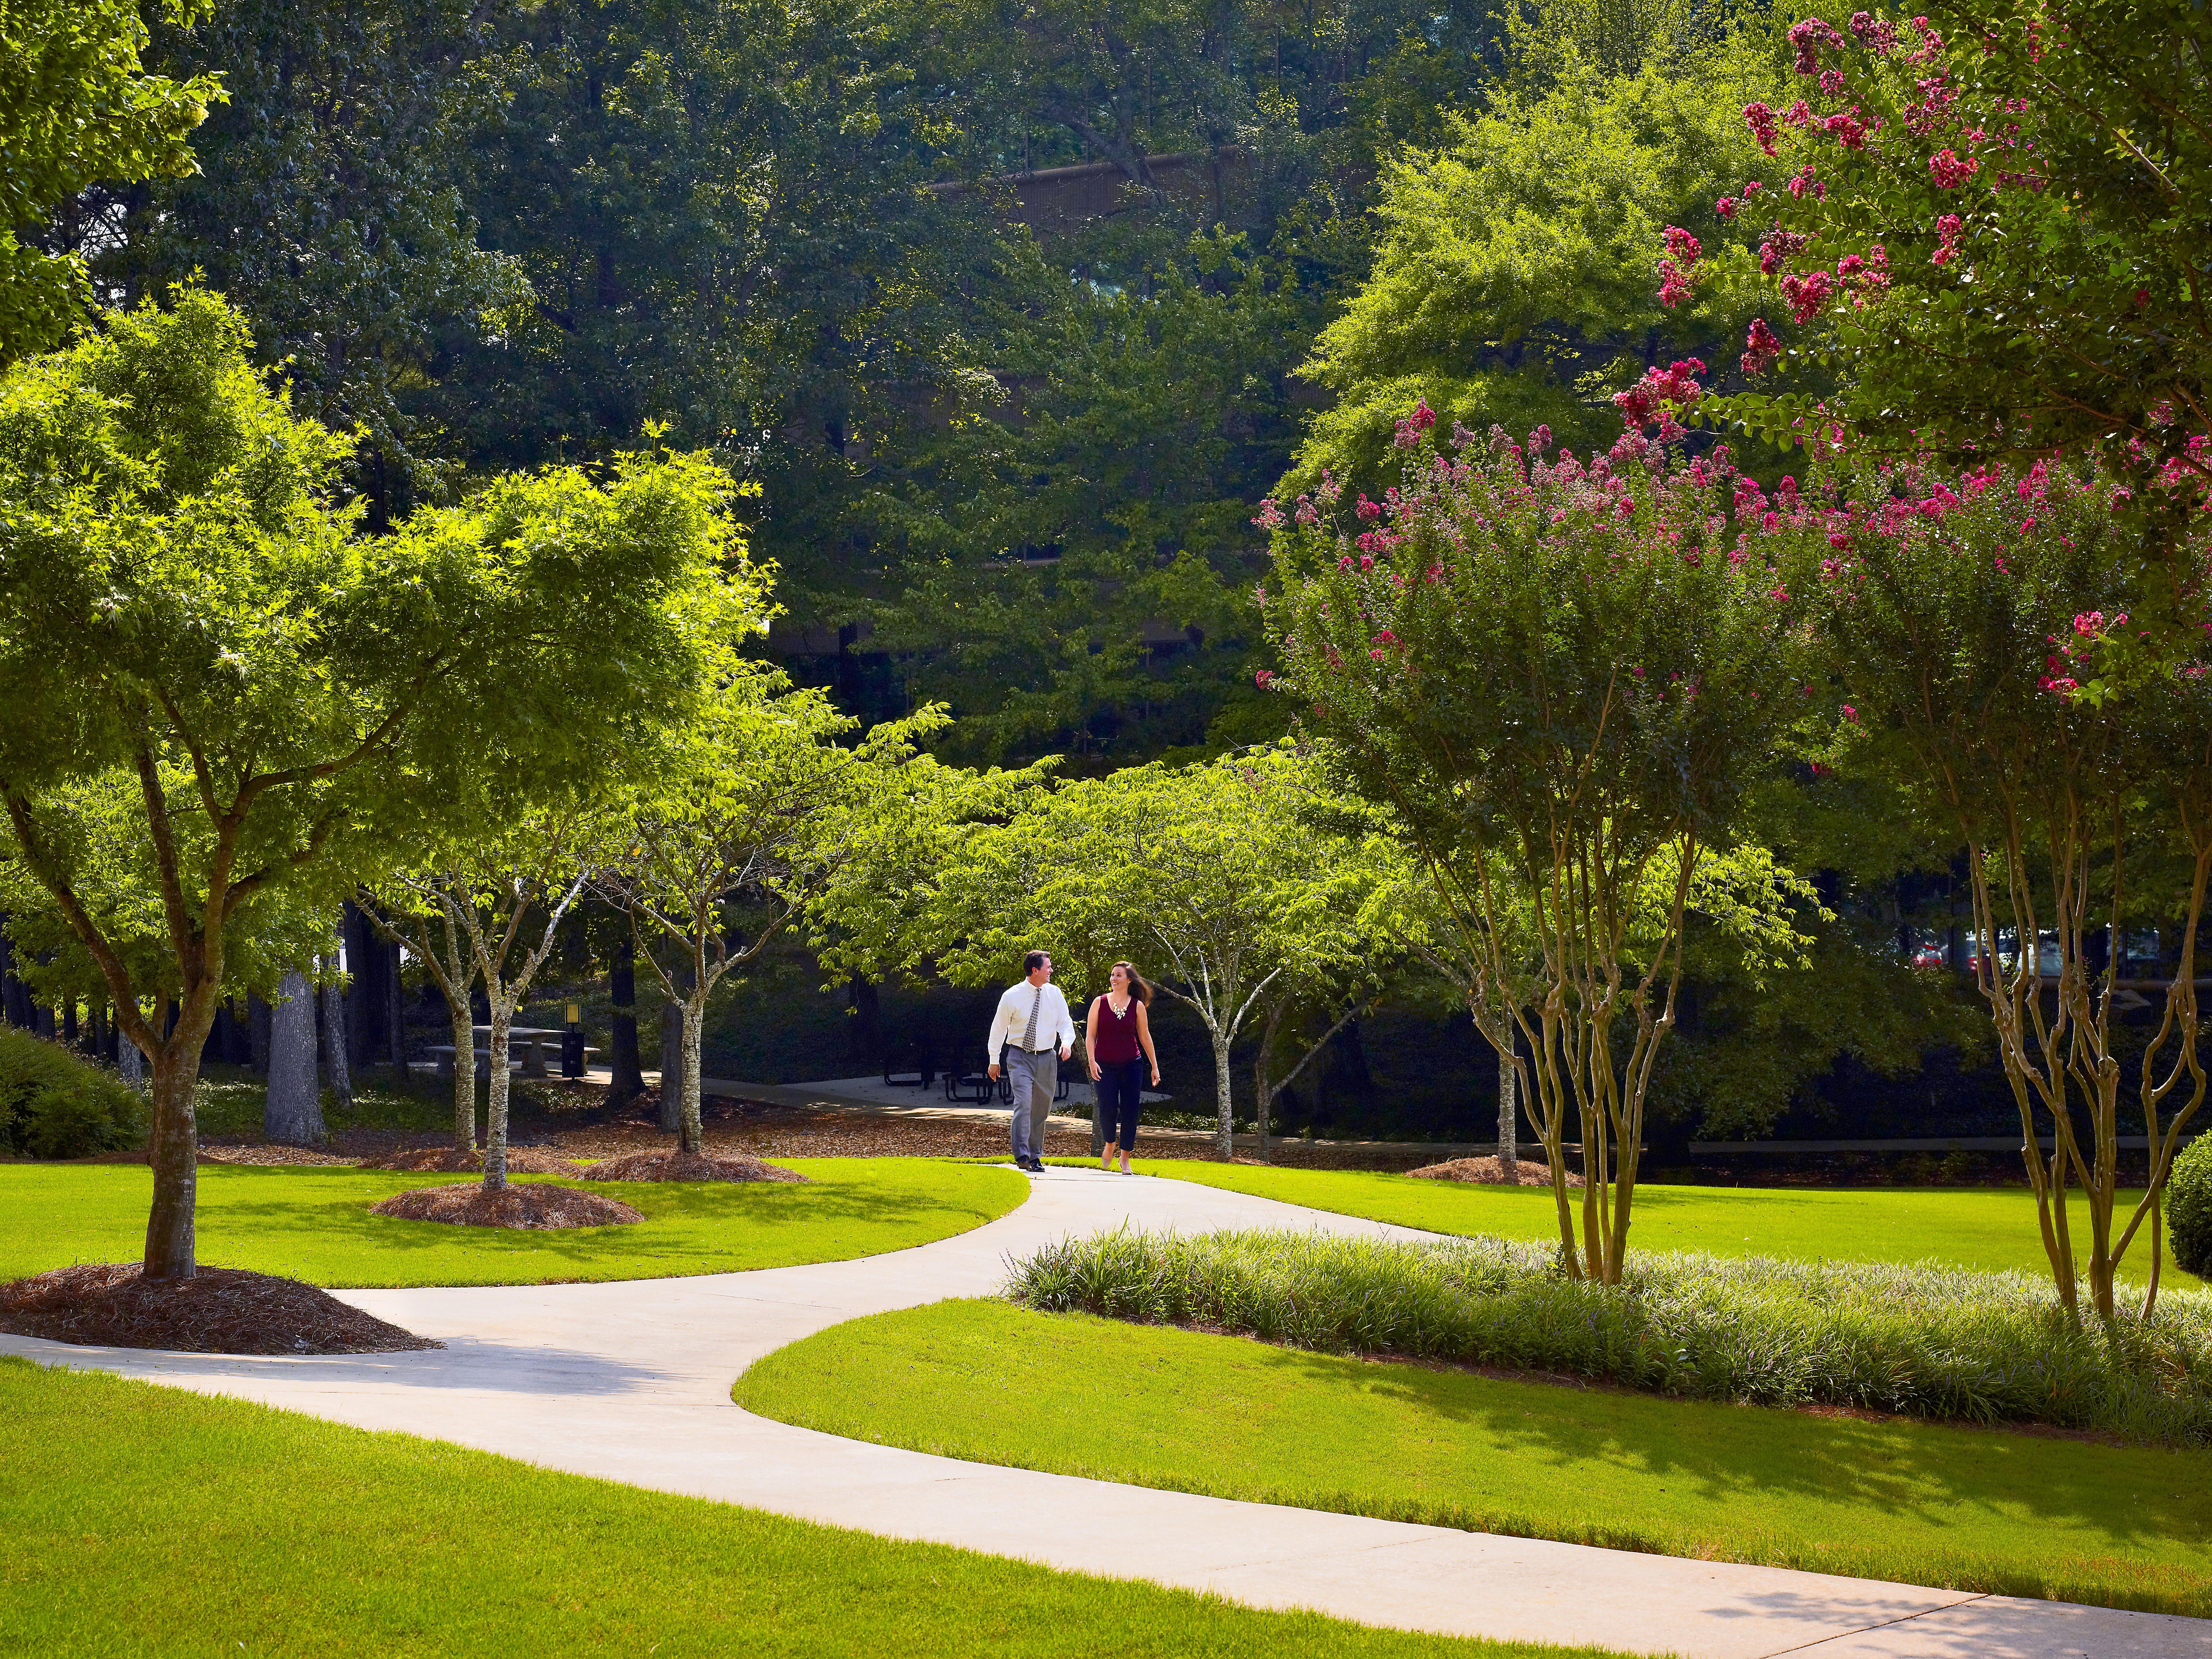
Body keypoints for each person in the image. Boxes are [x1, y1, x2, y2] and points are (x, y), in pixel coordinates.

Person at [985, 950, 1074, 1173]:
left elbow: (1065, 1022)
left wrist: (1066, 1043)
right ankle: (1023, 1155)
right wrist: (994, 1060)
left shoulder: (1055, 994)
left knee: (1041, 1110)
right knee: (1024, 1105)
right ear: (1035, 970)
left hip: (1047, 1057)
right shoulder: (1012, 996)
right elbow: (998, 1030)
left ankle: (1036, 1156)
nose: (1051, 971)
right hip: (1019, 1057)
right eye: (1048, 967)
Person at [1085, 960, 1159, 1174]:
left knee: (1130, 1111)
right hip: (1104, 1066)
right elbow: (1090, 1036)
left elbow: (1145, 1038)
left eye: (1119, 976)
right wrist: (1092, 1060)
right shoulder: (1099, 1003)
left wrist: (1155, 1066)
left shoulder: (1137, 1006)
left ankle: (1125, 1158)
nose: (1114, 979)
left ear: (1129, 980)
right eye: (1113, 975)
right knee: (1107, 1109)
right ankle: (1110, 1143)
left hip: (1131, 1065)